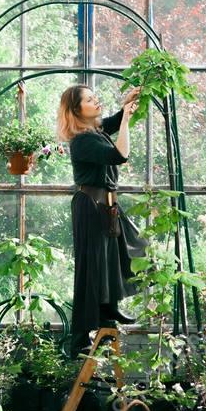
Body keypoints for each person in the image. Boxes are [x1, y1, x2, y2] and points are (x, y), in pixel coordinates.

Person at [57, 84, 146, 359]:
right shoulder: (82, 140)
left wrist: (127, 104)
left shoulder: (94, 132)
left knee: (115, 256)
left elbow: (112, 122)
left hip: (105, 205)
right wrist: (128, 119)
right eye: (89, 99)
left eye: (95, 97)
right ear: (76, 110)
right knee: (92, 266)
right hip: (91, 206)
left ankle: (108, 309)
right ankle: (80, 338)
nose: (96, 101)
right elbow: (119, 155)